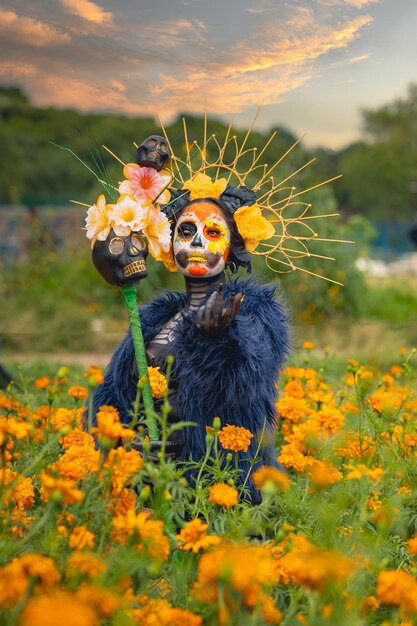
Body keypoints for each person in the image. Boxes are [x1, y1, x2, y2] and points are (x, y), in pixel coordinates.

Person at [91, 183, 290, 501]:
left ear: (232, 244)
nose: (197, 240)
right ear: (169, 242)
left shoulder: (252, 311)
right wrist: (126, 441)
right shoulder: (151, 320)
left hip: (220, 485)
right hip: (153, 486)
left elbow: (247, 383)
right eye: (186, 230)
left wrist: (216, 341)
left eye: (212, 232)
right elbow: (114, 394)